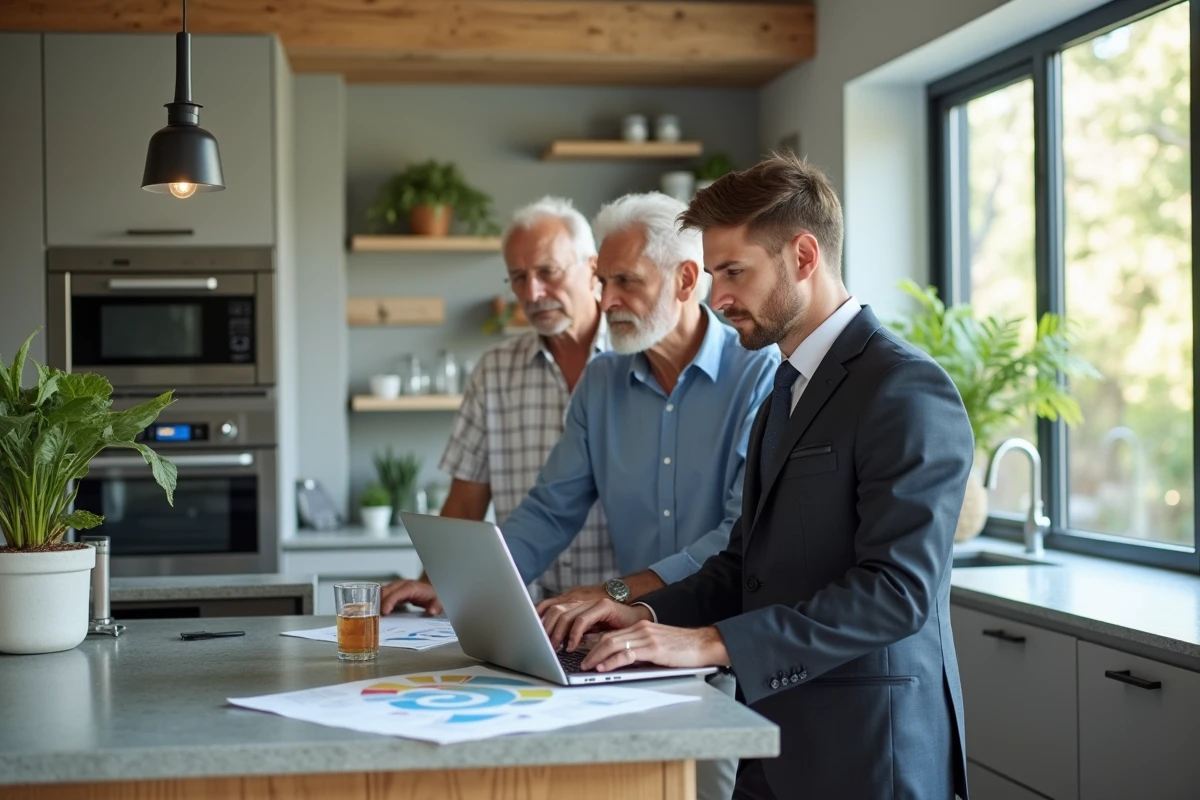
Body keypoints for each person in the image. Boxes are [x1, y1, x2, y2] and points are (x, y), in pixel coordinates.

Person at [541, 155, 975, 800]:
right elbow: (745, 562)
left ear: (803, 256)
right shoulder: (783, 388)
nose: (717, 298)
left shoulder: (904, 388)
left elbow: (895, 594)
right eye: (715, 274)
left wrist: (711, 644)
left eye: (735, 272)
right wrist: (632, 608)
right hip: (771, 736)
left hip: (867, 751)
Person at [384, 191, 778, 800]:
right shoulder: (602, 381)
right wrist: (457, 584)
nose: (607, 300)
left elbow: (736, 534)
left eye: (626, 282)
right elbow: (550, 509)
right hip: (629, 654)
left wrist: (617, 591)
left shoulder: (759, 374)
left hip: (720, 647)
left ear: (687, 279)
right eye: (602, 280)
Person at [380, 196, 617, 616]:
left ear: (593, 268)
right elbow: (465, 505)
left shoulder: (636, 361)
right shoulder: (495, 372)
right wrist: (431, 587)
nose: (533, 292)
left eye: (548, 272)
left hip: (623, 611)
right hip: (525, 616)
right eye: (518, 277)